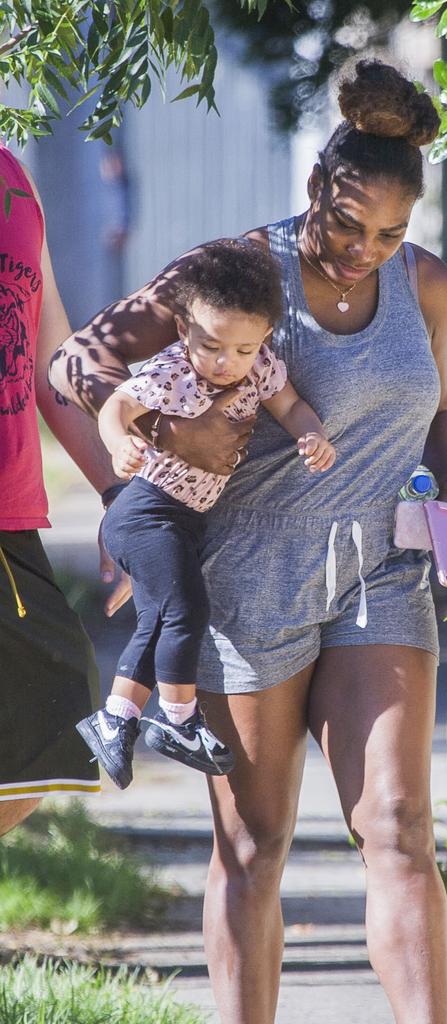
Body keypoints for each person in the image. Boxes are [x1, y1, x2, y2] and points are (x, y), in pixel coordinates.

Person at [50, 59, 447, 1024]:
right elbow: (75, 362)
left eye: (388, 234)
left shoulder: (427, 287)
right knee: (254, 845)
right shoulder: (238, 269)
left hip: (384, 570)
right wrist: (158, 443)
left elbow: (438, 414)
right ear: (313, 192)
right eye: (345, 226)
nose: (363, 251)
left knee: (399, 827)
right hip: (246, 580)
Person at [76, 240, 336, 789]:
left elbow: (289, 405)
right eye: (211, 346)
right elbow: (117, 406)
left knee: (159, 619)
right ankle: (178, 720)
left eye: (242, 349)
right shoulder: (173, 373)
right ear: (184, 334)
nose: (226, 364)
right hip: (146, 513)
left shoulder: (260, 368)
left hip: (186, 520)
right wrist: (119, 441)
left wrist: (310, 433)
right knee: (188, 609)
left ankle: (114, 718)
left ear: (263, 338)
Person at [0, 141, 126, 834]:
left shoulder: (15, 177)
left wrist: (119, 494)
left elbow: (53, 361)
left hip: (9, 516)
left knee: (58, 709)